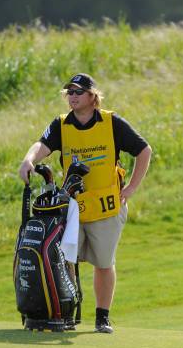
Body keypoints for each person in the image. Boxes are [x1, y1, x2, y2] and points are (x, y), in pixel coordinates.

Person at [19, 73, 152, 333]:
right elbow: (42, 144)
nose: (72, 96)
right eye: (69, 92)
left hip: (106, 207)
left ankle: (102, 316)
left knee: (103, 263)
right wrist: (28, 160)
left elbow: (144, 150)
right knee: (65, 260)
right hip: (72, 208)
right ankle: (64, 312)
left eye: (78, 92)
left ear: (93, 96)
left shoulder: (111, 122)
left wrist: (132, 187)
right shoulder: (61, 124)